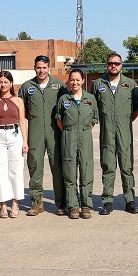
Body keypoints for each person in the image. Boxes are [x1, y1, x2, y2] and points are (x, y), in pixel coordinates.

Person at [91, 53, 138, 215]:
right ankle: (107, 200)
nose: (114, 66)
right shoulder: (98, 83)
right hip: (106, 131)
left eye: (117, 63)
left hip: (124, 131)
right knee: (108, 166)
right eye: (111, 63)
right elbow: (93, 107)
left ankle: (130, 200)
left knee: (127, 166)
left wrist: (125, 121)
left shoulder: (130, 84)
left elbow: (136, 109)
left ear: (122, 65)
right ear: (107, 65)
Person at [21, 55, 66, 216]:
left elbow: (65, 107)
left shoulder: (59, 85)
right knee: (35, 166)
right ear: (35, 68)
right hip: (35, 131)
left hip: (55, 132)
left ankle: (61, 203)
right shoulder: (27, 86)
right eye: (39, 67)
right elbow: (22, 110)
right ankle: (36, 203)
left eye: (44, 67)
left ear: (49, 68)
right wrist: (35, 119)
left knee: (58, 168)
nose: (41, 70)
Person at [57, 69, 98, 219]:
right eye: (72, 80)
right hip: (68, 136)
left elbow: (93, 120)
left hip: (85, 135)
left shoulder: (90, 99)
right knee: (69, 172)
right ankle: (73, 206)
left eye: (77, 80)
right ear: (69, 81)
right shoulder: (63, 99)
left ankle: (86, 205)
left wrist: (82, 130)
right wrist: (70, 132)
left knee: (86, 171)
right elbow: (59, 120)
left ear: (82, 81)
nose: (74, 83)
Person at [0, 71, 28, 218]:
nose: (3, 84)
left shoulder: (18, 101)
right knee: (1, 170)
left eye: (5, 82)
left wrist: (25, 142)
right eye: (0, 82)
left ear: (11, 83)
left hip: (15, 135)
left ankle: (15, 202)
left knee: (16, 169)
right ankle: (3, 204)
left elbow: (22, 121)